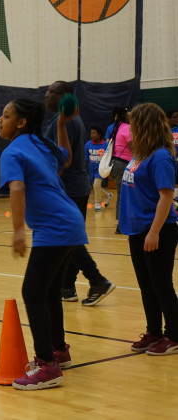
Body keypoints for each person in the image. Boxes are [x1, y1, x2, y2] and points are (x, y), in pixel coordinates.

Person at [0, 98, 87, 390]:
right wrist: (61, 124)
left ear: (21, 122)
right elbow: (67, 158)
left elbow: (18, 188)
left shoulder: (13, 151)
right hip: (71, 221)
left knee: (32, 292)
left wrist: (17, 230)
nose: (0, 119)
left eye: (6, 115)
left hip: (55, 227)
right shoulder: (41, 144)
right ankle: (59, 350)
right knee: (48, 291)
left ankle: (47, 365)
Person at [44, 81, 114, 306]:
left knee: (67, 238)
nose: (46, 95)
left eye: (51, 92)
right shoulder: (72, 118)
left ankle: (97, 280)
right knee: (70, 237)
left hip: (67, 187)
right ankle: (67, 286)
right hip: (78, 186)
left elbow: (62, 160)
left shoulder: (63, 122)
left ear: (64, 96)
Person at [120, 103, 178, 356]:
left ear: (145, 126)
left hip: (158, 230)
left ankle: (174, 335)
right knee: (146, 285)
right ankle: (154, 332)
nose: (129, 128)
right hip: (137, 230)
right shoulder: (139, 154)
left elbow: (166, 196)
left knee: (161, 285)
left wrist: (154, 232)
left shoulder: (161, 156)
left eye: (133, 124)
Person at [107, 106, 131, 234]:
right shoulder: (127, 128)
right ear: (124, 115)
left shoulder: (116, 128)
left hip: (115, 164)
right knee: (124, 196)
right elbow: (134, 147)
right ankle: (121, 225)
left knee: (122, 195)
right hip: (122, 165)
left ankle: (121, 224)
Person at [84, 125, 113, 212]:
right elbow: (86, 158)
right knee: (95, 185)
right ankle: (108, 195)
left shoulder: (105, 145)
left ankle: (97, 203)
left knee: (96, 184)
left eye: (94, 133)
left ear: (99, 134)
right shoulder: (88, 144)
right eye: (91, 133)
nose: (92, 135)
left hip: (101, 169)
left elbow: (109, 157)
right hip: (91, 168)